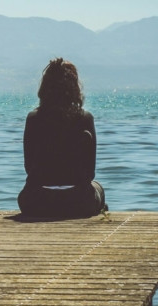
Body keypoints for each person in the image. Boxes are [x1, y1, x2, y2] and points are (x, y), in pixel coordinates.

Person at [18, 58, 106, 217]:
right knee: (98, 187)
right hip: (78, 202)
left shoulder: (33, 119)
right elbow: (90, 173)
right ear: (74, 89)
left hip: (37, 201)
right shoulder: (85, 119)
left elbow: (28, 167)